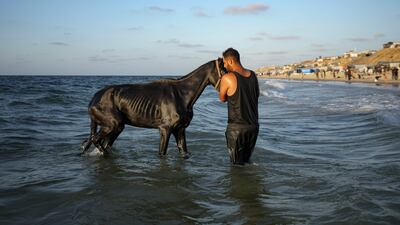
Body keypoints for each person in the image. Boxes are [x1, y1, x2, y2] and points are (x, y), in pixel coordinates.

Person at [219, 48, 259, 165]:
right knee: (246, 162)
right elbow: (256, 95)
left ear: (231, 61)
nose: (225, 66)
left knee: (236, 167)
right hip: (253, 127)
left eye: (225, 63)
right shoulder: (253, 75)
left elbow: (222, 98)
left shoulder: (227, 78)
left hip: (237, 129)